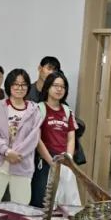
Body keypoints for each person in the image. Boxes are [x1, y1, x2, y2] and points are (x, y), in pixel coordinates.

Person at [0, 68, 40, 205]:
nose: (19, 88)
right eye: (16, 84)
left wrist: (16, 154)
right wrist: (7, 151)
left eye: (23, 84)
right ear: (9, 85)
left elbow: (33, 138)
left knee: (21, 207)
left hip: (22, 164)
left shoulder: (34, 110)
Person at [32, 71, 79, 207]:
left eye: (62, 87)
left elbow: (71, 138)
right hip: (45, 162)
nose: (59, 89)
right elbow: (37, 139)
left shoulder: (67, 111)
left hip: (64, 161)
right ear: (47, 87)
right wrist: (51, 162)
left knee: (66, 202)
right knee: (44, 202)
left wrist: (68, 158)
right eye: (56, 86)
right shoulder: (39, 108)